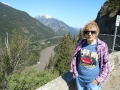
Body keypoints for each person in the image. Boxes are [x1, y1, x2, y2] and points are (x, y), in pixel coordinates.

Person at [71, 20, 111, 90]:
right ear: (84, 33)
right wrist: (76, 74)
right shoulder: (81, 43)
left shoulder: (102, 46)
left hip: (93, 82)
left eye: (92, 32)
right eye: (87, 32)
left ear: (96, 33)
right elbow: (75, 59)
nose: (89, 34)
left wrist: (98, 80)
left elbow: (106, 65)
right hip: (80, 80)